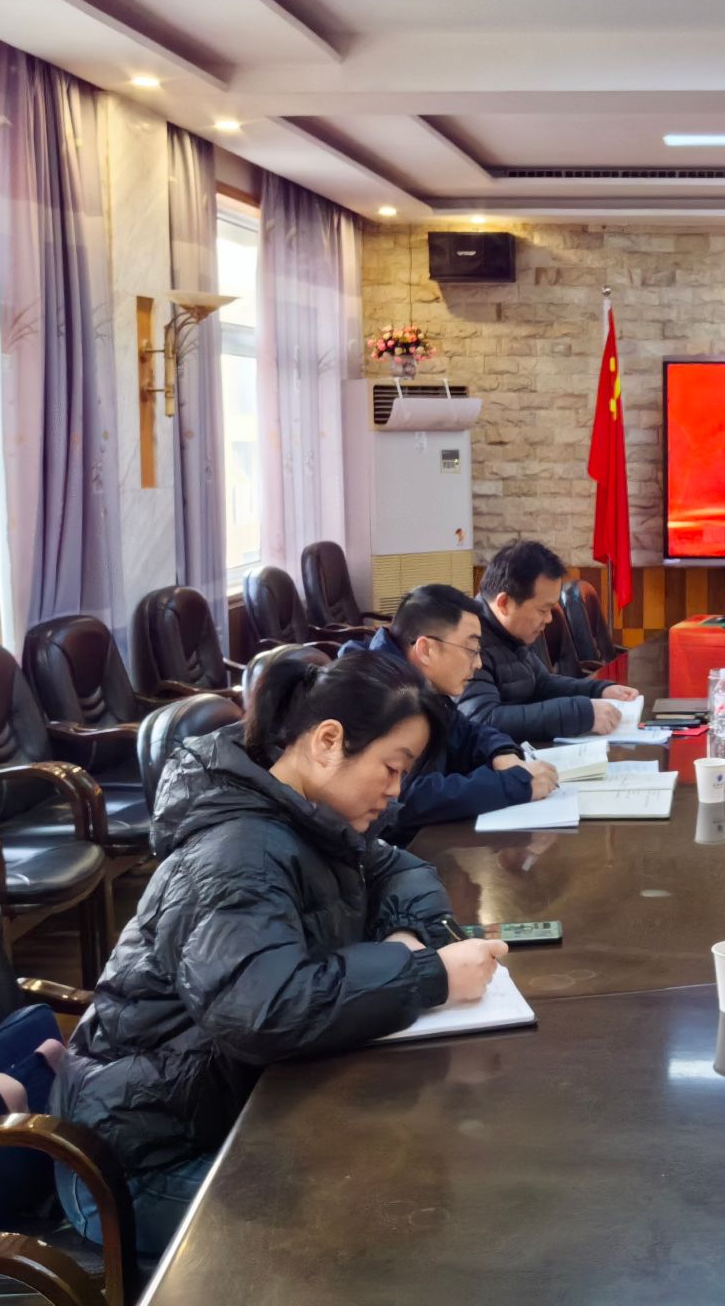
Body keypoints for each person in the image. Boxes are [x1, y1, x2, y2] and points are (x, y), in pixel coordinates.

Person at [52, 649, 509, 1268]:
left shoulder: (307, 814)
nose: (396, 790)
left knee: (408, 1178)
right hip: (138, 1165)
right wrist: (425, 974)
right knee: (382, 1211)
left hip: (230, 1109)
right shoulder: (236, 851)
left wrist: (407, 935)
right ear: (328, 741)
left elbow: (402, 870)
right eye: (392, 767)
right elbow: (263, 1011)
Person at [337, 583, 561, 839]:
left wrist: (502, 753)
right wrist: (513, 785)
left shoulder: (422, 684)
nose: (478, 663)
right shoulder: (374, 695)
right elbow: (400, 799)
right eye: (472, 651)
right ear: (426, 650)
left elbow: (467, 732)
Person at [459, 539, 639, 740]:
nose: (549, 619)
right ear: (504, 603)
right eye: (542, 610)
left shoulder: (509, 633)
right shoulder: (467, 642)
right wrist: (580, 714)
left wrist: (600, 690)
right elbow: (484, 720)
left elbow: (542, 684)